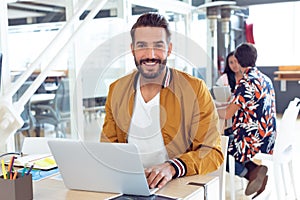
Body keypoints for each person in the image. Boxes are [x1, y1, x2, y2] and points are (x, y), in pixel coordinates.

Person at [100, 12, 224, 190]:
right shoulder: (116, 90)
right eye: (142, 45)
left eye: (158, 46)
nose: (150, 55)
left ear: (169, 49)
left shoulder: (195, 89)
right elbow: (108, 148)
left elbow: (212, 152)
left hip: (176, 184)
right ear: (132, 49)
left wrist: (172, 167)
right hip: (128, 186)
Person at [218, 43, 277, 198]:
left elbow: (227, 114)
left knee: (217, 148)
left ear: (237, 60)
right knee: (228, 139)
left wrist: (208, 110)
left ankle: (249, 173)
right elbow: (244, 105)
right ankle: (254, 171)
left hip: (252, 140)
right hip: (267, 138)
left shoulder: (245, 82)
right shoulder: (264, 78)